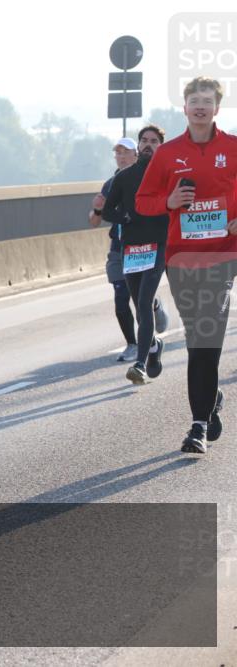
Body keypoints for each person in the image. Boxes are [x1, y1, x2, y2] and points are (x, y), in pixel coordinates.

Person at [136, 76, 237, 452]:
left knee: (205, 342)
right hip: (181, 259)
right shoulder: (167, 153)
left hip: (223, 257)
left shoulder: (233, 148)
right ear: (184, 107)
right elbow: (143, 201)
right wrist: (169, 202)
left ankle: (197, 428)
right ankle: (210, 405)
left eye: (207, 100)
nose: (200, 105)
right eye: (194, 99)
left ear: (216, 108)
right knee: (199, 343)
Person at [102, 125, 171, 385]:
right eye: (144, 140)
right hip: (132, 248)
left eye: (154, 141)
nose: (147, 145)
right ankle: (153, 347)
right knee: (139, 307)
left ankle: (139, 365)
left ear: (161, 146)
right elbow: (108, 212)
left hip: (159, 245)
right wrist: (125, 217)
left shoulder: (169, 175)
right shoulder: (124, 177)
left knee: (144, 303)